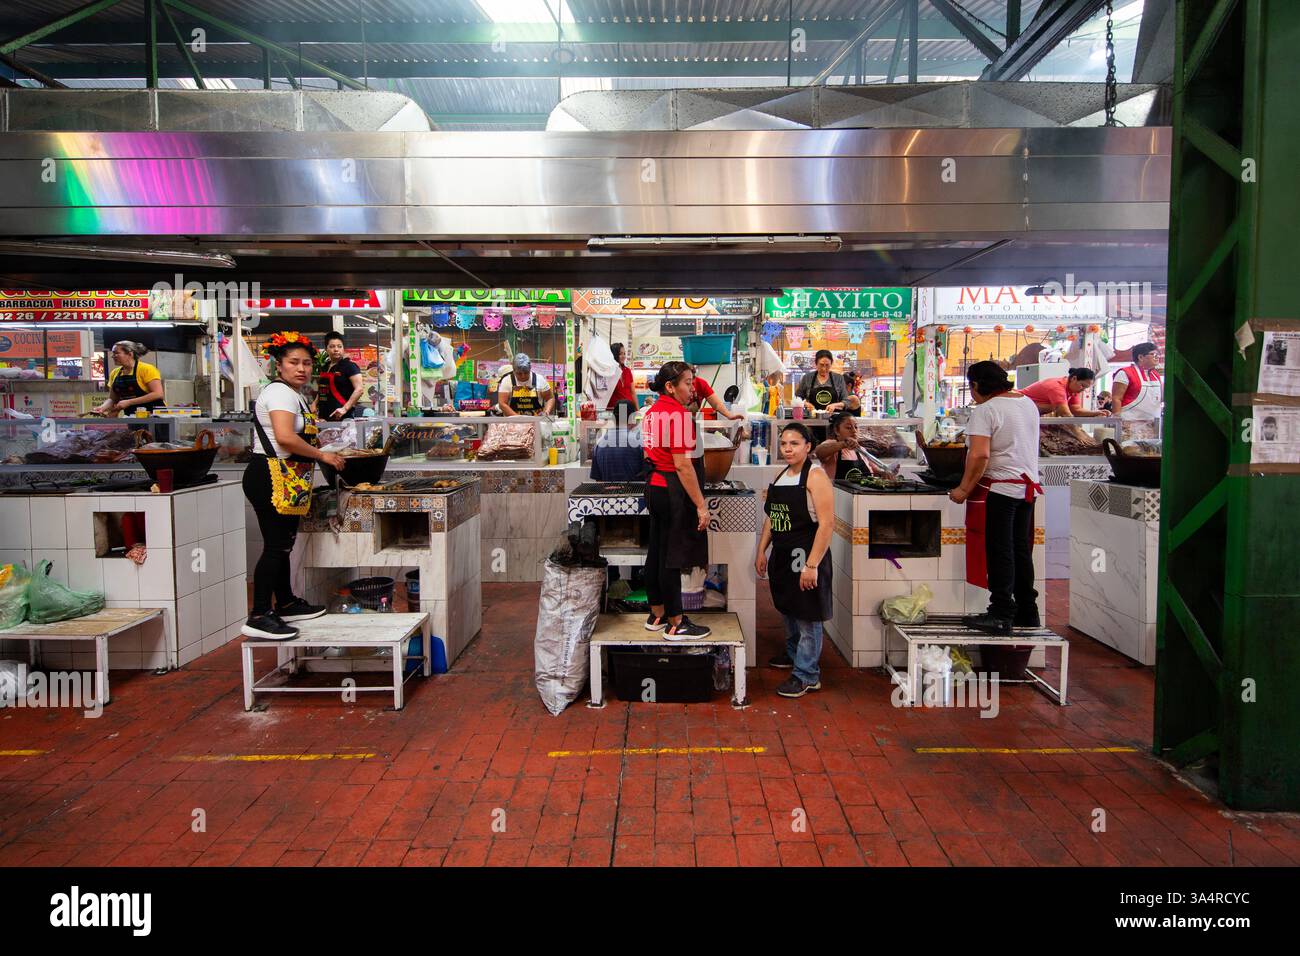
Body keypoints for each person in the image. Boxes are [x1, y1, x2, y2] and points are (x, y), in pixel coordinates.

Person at [242, 333, 346, 640]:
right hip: (270, 476)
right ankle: (259, 614)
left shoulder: (294, 393)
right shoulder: (280, 394)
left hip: (285, 476)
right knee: (276, 547)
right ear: (279, 364)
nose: (301, 368)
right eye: (293, 362)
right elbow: (286, 438)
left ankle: (285, 603)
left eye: (306, 363)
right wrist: (323, 455)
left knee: (283, 544)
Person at [949, 361, 1043, 635]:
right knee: (1020, 550)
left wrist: (963, 490)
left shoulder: (987, 410)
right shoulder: (1027, 402)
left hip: (1002, 490)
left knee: (1000, 551)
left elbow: (979, 455)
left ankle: (1001, 613)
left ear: (977, 384)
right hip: (1027, 488)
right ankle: (1027, 611)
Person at [757, 422, 834, 698]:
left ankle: (807, 675)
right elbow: (773, 516)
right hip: (783, 555)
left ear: (808, 446)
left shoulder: (815, 477)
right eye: (784, 444)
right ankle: (793, 655)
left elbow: (827, 525)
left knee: (807, 615)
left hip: (806, 556)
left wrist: (812, 565)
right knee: (789, 609)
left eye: (794, 444)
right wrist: (761, 550)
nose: (788, 449)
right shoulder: (783, 475)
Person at [641, 361, 712, 639]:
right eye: (687, 383)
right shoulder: (678, 416)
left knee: (657, 552)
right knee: (671, 558)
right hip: (671, 490)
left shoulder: (651, 412)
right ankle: (676, 622)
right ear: (670, 387)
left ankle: (657, 614)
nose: (692, 388)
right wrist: (700, 505)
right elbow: (683, 466)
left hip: (654, 488)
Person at [815, 410, 893, 481]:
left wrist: (884, 473)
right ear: (836, 430)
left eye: (856, 427)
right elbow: (819, 452)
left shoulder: (861, 450)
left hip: (861, 495)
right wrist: (843, 444)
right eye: (848, 427)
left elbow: (875, 471)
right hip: (838, 494)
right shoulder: (831, 445)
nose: (854, 431)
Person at [95, 341, 165, 417]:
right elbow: (112, 399)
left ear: (130, 354)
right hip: (132, 416)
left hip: (155, 416)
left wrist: (129, 402)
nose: (113, 356)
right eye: (113, 353)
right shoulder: (114, 373)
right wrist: (102, 408)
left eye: (116, 353)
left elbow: (158, 394)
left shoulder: (147, 369)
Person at [1111, 341, 1163, 439]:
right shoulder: (1125, 373)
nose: (1157, 357)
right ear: (1140, 357)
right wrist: (1118, 422)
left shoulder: (1155, 375)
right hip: (1129, 425)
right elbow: (1116, 398)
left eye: (1158, 355)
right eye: (1154, 355)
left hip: (1151, 426)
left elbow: (1161, 398)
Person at [314, 332, 365, 421]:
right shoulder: (324, 367)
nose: (336, 349)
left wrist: (344, 409)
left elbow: (359, 389)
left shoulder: (349, 366)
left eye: (339, 346)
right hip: (323, 416)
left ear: (343, 348)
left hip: (342, 416)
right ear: (326, 349)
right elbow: (322, 389)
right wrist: (314, 403)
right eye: (332, 346)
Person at [1020, 368, 1108, 418]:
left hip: (1032, 412)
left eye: (1086, 388)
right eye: (1082, 386)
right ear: (1074, 379)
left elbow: (1075, 410)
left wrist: (1096, 413)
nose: (1083, 390)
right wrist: (1079, 433)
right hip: (1020, 408)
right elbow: (1065, 413)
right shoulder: (1057, 387)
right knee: (1057, 408)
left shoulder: (1075, 390)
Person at [590, 400, 643, 482]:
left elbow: (598, 480)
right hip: (634, 493)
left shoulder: (599, 443)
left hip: (607, 493)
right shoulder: (639, 441)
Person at [795, 350, 859, 415]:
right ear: (816, 363)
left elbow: (846, 401)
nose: (824, 368)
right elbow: (797, 398)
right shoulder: (807, 378)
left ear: (831, 363)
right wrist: (806, 404)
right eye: (821, 365)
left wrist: (835, 405)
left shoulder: (838, 378)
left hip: (834, 420)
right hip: (812, 419)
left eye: (827, 365)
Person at [605, 342, 636, 410]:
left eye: (624, 353)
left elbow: (633, 393)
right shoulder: (608, 372)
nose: (623, 356)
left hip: (629, 409)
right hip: (614, 410)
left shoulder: (627, 371)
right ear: (614, 355)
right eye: (620, 354)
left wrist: (638, 410)